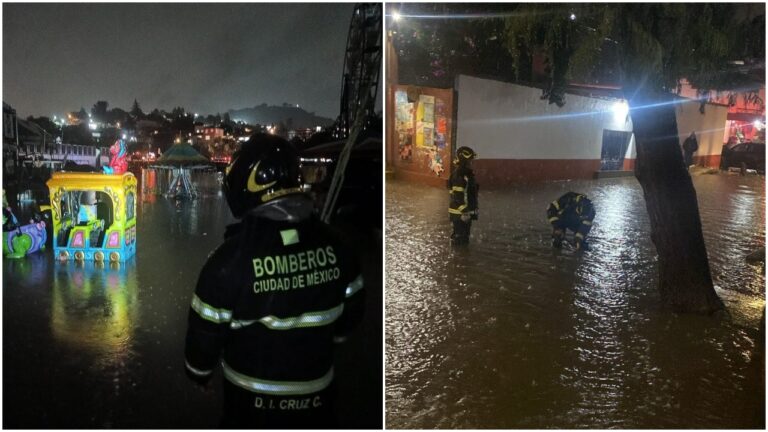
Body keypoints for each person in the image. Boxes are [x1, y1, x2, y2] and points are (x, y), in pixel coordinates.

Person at [184, 133, 365, 428]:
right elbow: (350, 319)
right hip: (318, 401)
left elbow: (204, 335)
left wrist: (199, 374)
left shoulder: (226, 262)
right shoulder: (340, 247)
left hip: (248, 404)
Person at [447, 146, 479, 245]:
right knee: (460, 239)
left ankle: (459, 253)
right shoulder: (460, 175)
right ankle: (457, 254)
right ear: (465, 160)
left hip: (463, 213)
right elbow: (457, 195)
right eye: (470, 160)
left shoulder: (465, 174)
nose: (472, 163)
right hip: (460, 214)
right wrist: (464, 212)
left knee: (463, 238)